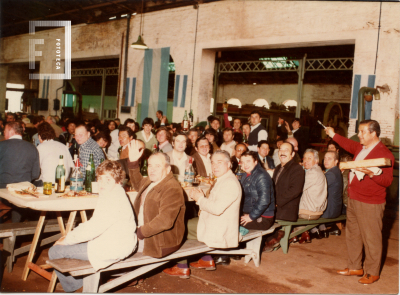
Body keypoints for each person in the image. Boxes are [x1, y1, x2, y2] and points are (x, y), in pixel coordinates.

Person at [48, 160, 137, 292]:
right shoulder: (113, 192)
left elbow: (94, 228)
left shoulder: (113, 198)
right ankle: (77, 281)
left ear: (118, 181)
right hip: (117, 242)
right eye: (100, 178)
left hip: (114, 247)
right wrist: (70, 237)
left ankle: (75, 286)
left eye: (108, 179)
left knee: (54, 251)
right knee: (71, 244)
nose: (102, 182)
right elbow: (94, 224)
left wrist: (66, 239)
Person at [325, 120, 394, 285]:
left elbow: (387, 181)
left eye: (362, 132)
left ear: (373, 133)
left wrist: (372, 174)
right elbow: (348, 143)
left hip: (370, 203)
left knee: (372, 239)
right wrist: (332, 134)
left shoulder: (385, 154)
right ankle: (355, 266)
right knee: (353, 235)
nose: (359, 135)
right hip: (354, 199)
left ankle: (373, 272)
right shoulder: (361, 148)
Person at [163, 150, 241, 278]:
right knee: (185, 220)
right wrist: (203, 199)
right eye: (213, 163)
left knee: (176, 226)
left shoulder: (229, 183)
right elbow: (217, 204)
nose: (215, 166)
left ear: (229, 164)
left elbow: (216, 209)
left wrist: (200, 199)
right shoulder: (224, 179)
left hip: (220, 230)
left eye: (219, 162)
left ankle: (181, 267)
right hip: (217, 223)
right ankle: (206, 259)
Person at [127, 140, 186, 258]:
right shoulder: (153, 180)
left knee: (114, 246)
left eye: (157, 166)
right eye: (150, 165)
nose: (152, 170)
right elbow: (138, 184)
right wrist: (133, 162)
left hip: (159, 242)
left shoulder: (172, 188)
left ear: (168, 169)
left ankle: (125, 274)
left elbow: (164, 221)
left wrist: (139, 233)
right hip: (146, 234)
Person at [263, 142, 305, 252]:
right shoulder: (277, 168)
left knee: (260, 215)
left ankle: (273, 236)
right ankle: (270, 237)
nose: (282, 152)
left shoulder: (297, 169)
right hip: (276, 205)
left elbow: (295, 191)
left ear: (292, 154)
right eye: (281, 150)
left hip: (286, 208)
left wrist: (276, 203)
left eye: (286, 150)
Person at [0, 122, 40, 222]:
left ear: (10, 131)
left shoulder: (1, 145)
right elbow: (35, 174)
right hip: (23, 191)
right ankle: (14, 231)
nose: (4, 134)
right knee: (17, 198)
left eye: (4, 131)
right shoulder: (32, 147)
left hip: (3, 191)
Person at [311, 151, 343, 238]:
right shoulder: (335, 171)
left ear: (336, 161)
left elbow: (316, 187)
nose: (326, 161)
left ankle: (313, 230)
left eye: (329, 159)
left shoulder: (331, 174)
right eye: (325, 158)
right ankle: (322, 228)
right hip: (334, 208)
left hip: (330, 211)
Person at [240, 151, 275, 230]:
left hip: (264, 217)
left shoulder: (261, 176)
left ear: (255, 161)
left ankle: (273, 236)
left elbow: (264, 201)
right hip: (253, 213)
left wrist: (251, 216)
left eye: (248, 161)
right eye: (242, 162)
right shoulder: (245, 174)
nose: (245, 165)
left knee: (232, 224)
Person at [298, 149, 327, 220]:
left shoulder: (313, 172)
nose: (306, 161)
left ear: (316, 161)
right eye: (304, 158)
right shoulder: (315, 170)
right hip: (313, 209)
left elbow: (298, 188)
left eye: (309, 158)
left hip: (309, 211)